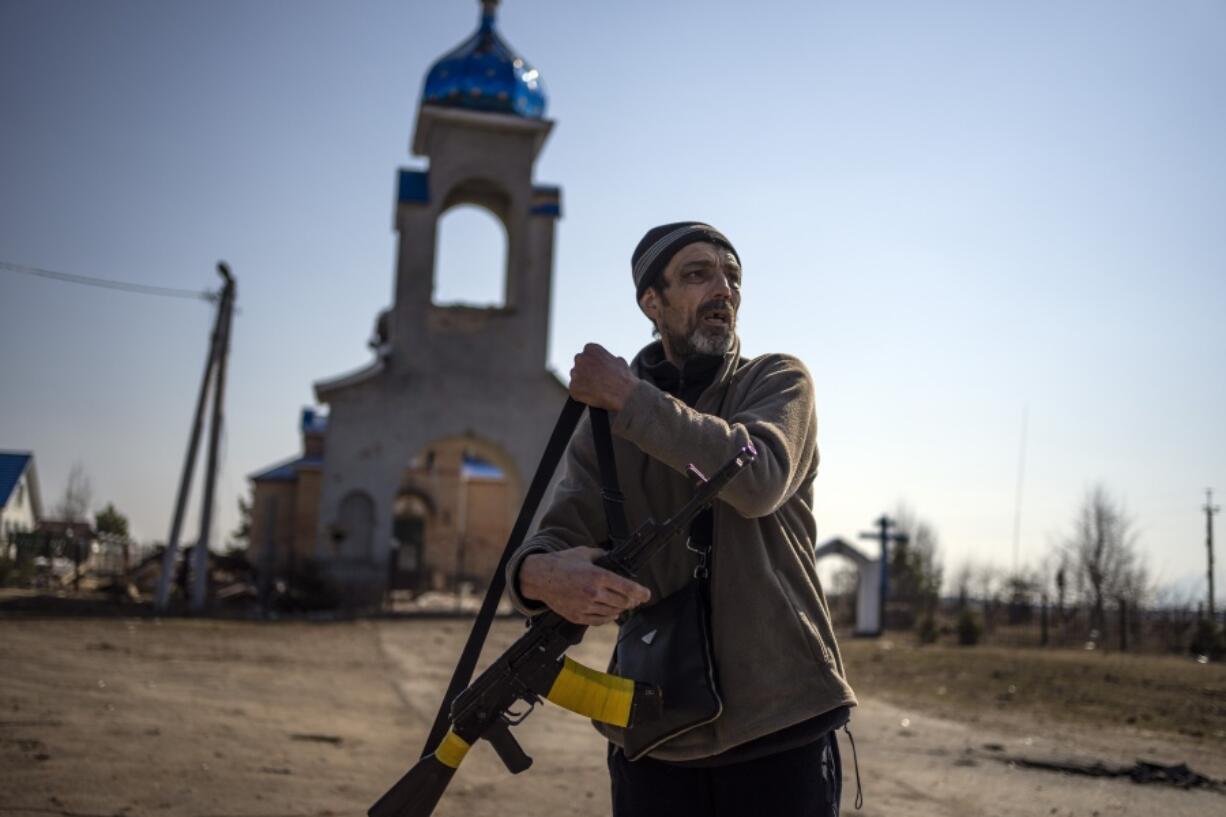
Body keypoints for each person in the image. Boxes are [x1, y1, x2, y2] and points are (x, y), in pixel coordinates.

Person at [507, 222, 857, 817]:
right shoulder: (606, 424)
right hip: (653, 735)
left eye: (732, 277)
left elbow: (756, 477)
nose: (723, 289)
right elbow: (556, 534)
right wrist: (540, 577)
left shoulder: (777, 381)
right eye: (698, 274)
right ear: (652, 301)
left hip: (780, 724)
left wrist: (629, 397)